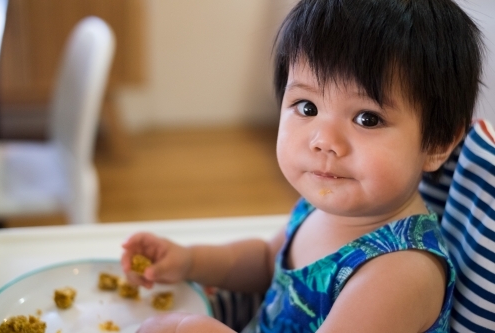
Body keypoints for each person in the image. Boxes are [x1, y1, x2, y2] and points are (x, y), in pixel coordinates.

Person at [121, 0, 483, 331]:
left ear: (436, 142)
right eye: (307, 107)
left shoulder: (401, 273)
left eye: (367, 118)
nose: (323, 140)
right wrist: (189, 260)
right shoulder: (331, 201)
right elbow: (266, 261)